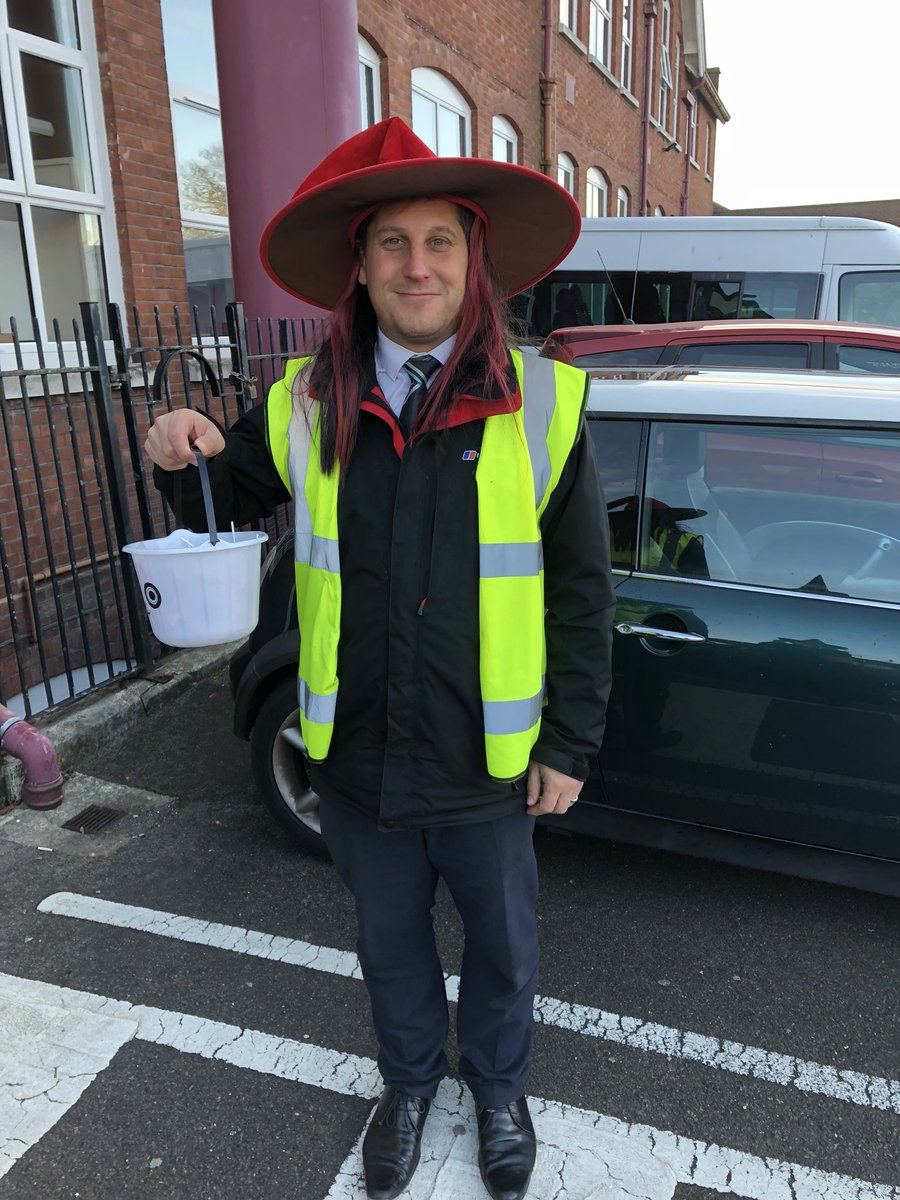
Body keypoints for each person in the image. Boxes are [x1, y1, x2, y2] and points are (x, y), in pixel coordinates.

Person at [145, 117, 616, 1200]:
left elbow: (584, 593)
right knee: (389, 943)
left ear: (472, 259)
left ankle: (497, 1090)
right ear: (359, 266)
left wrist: (571, 741)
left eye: (440, 241)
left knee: (503, 948)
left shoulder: (545, 404)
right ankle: (407, 1086)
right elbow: (219, 494)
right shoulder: (303, 401)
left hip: (489, 761)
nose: (417, 265)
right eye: (392, 242)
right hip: (356, 750)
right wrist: (179, 447)